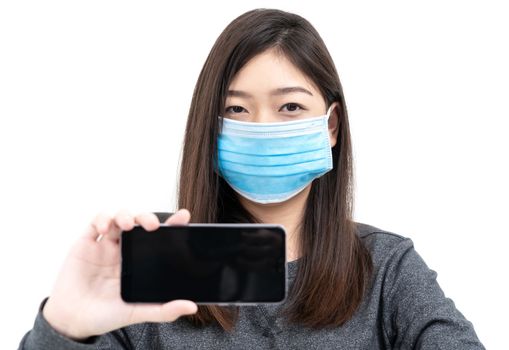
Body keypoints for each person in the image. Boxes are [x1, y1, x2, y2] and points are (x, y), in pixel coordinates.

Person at [19, 8, 485, 350]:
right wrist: (64, 326)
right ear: (210, 124)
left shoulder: (387, 269)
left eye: (290, 107)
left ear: (331, 125)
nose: (262, 128)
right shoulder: (148, 264)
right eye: (236, 109)